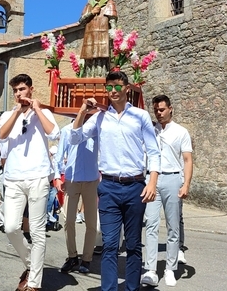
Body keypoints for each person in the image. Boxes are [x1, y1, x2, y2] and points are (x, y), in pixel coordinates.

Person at [70, 70, 160, 291]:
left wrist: (152, 182)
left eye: (117, 87)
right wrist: (83, 111)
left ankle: (131, 288)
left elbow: (154, 151)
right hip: (108, 187)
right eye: (108, 88)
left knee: (133, 245)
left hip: (136, 186)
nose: (113, 91)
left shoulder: (140, 116)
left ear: (126, 89)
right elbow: (75, 138)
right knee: (110, 245)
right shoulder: (100, 117)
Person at [0, 74, 61, 291]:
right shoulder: (9, 114)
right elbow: (2, 137)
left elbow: (54, 134)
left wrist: (37, 110)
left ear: (31, 90)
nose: (18, 94)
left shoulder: (44, 113)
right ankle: (31, 264)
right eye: (15, 90)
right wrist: (16, 112)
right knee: (11, 227)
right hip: (14, 177)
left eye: (22, 89)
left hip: (38, 176)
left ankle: (34, 283)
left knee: (37, 230)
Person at [141, 95, 193, 288]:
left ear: (170, 109)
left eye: (161, 110)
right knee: (151, 224)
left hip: (172, 178)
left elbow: (187, 159)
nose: (158, 113)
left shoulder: (181, 132)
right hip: (152, 178)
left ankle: (170, 268)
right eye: (155, 110)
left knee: (173, 225)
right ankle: (151, 269)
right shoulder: (150, 131)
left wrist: (186, 183)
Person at [57, 119, 99, 275]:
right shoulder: (67, 130)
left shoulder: (95, 130)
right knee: (68, 220)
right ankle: (72, 256)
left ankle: (87, 258)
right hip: (72, 179)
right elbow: (59, 155)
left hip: (90, 180)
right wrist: (57, 177)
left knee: (91, 223)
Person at [78, 0, 117, 77]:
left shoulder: (109, 3)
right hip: (90, 35)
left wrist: (113, 32)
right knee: (90, 58)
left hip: (103, 35)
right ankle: (89, 77)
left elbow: (112, 20)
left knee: (102, 59)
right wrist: (92, 12)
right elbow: (81, 21)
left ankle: (102, 77)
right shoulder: (89, 5)